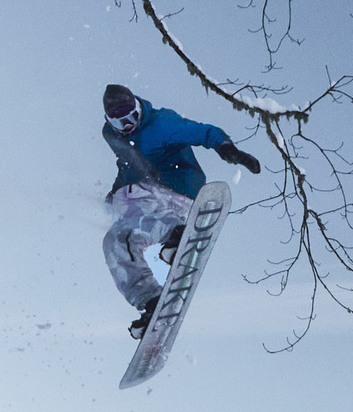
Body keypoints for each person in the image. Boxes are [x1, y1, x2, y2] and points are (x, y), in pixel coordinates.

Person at [100, 83, 260, 337]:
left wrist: (226, 147)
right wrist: (115, 191)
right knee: (116, 242)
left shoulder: (161, 123)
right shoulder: (111, 135)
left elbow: (202, 131)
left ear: (138, 108)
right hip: (140, 201)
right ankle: (151, 300)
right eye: (120, 123)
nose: (128, 125)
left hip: (176, 192)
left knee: (138, 206)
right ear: (110, 122)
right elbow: (129, 164)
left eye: (131, 117)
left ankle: (175, 232)